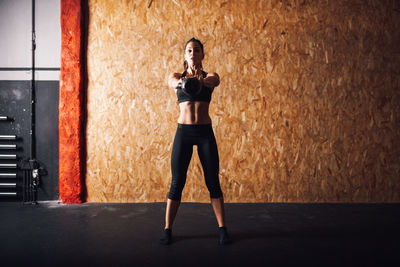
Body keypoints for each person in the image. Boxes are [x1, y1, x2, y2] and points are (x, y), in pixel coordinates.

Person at [159, 38, 232, 246]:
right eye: (189, 50)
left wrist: (200, 81)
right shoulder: (176, 76)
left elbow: (214, 81)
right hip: (184, 132)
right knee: (177, 182)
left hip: (204, 133)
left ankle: (223, 229)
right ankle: (167, 229)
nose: (192, 53)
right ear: (185, 55)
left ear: (202, 54)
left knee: (213, 182)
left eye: (196, 50)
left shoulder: (209, 76)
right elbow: (172, 82)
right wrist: (185, 82)